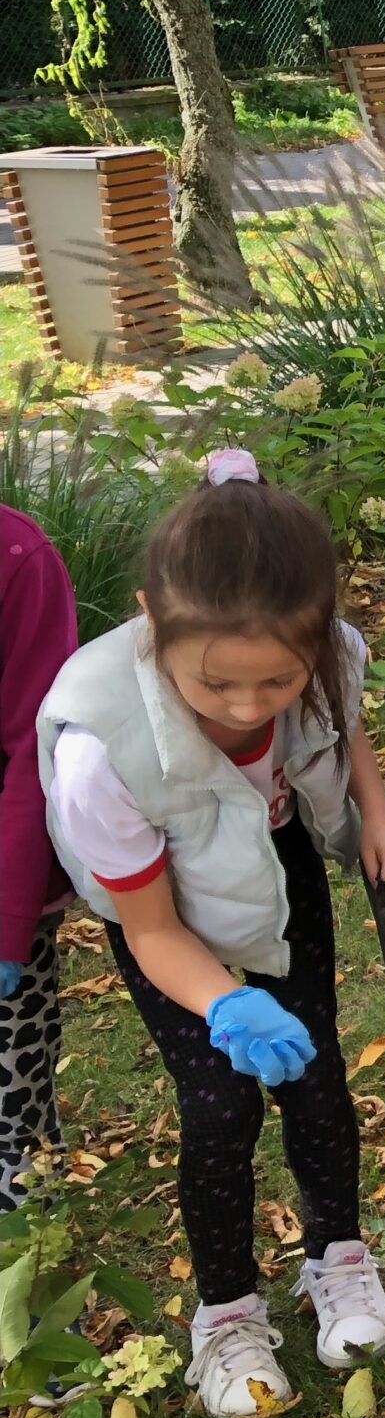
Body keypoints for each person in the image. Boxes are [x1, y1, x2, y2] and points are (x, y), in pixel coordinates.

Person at [37, 455, 385, 1418]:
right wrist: (224, 998)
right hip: (166, 909)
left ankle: (338, 1256)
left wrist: (375, 811)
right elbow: (152, 924)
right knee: (220, 1110)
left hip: (276, 867)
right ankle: (226, 1316)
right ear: (152, 625)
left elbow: (345, 725)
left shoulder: (321, 662)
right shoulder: (100, 751)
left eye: (276, 682)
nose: (250, 709)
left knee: (319, 1072)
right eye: (219, 685)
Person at [0, 507, 77, 1204]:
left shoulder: (18, 557)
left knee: (13, 1123)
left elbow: (36, 749)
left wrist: (8, 921)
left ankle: (32, 1295)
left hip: (6, 885)